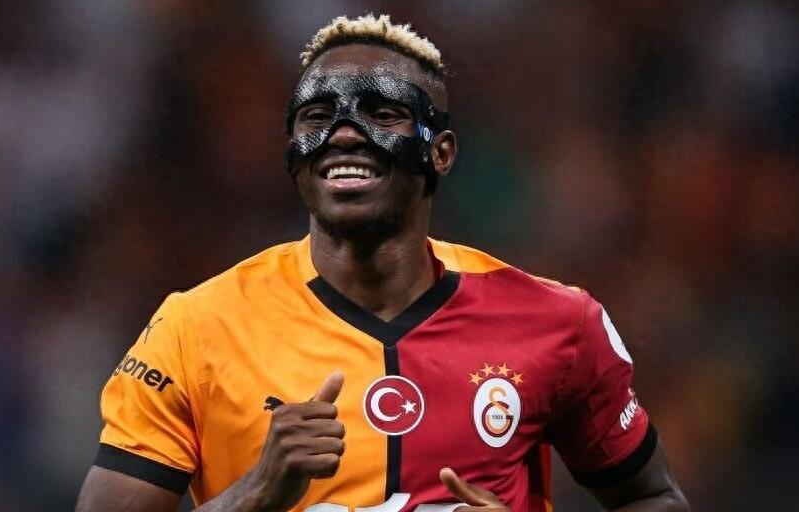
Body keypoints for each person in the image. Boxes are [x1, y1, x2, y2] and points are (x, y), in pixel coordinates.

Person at [75, 14, 690, 512]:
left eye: (382, 112)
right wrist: (255, 493)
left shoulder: (558, 323)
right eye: (317, 117)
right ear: (294, 152)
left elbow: (655, 497)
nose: (344, 133)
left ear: (441, 153)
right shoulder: (196, 329)